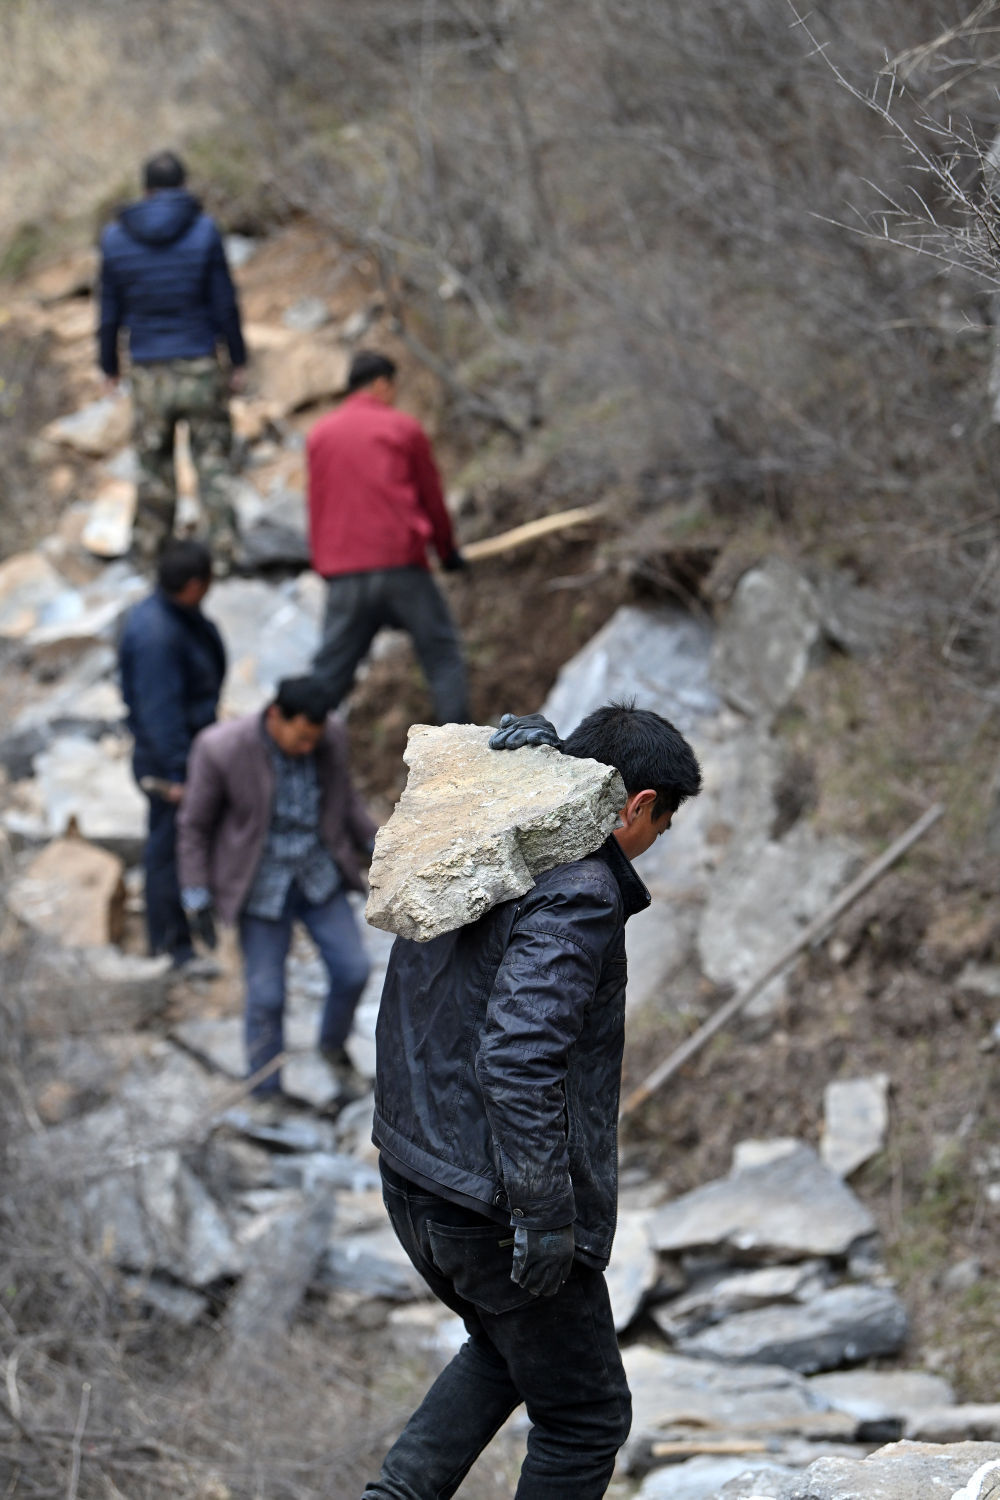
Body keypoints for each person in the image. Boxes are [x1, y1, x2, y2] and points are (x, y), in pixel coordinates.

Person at [364, 701, 702, 1500]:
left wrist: (518, 765)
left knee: (505, 1347)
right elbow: (518, 1058)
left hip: (414, 1173)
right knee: (586, 1415)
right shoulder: (581, 888)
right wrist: (547, 1216)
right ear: (637, 806)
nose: (655, 844)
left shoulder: (488, 832)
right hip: (491, 1205)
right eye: (663, 824)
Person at [177, 675, 377, 1104]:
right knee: (266, 995)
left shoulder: (330, 738)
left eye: (315, 738)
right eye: (301, 737)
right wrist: (196, 895)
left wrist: (380, 845)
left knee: (353, 969)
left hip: (317, 874)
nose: (309, 747)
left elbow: (347, 803)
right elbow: (193, 827)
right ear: (274, 716)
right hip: (258, 885)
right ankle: (266, 1092)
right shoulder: (220, 748)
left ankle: (332, 1048)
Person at [98, 149, 247, 572]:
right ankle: (224, 556)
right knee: (213, 464)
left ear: (144, 190)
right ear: (183, 186)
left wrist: (108, 366)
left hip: (148, 370)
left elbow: (108, 312)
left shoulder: (115, 238)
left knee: (153, 470)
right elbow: (225, 304)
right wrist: (237, 359)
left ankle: (150, 561)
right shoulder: (204, 232)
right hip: (200, 362)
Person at [307, 349, 469, 724]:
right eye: (394, 386)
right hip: (401, 567)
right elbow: (431, 496)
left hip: (345, 572)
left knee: (329, 674)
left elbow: (317, 503)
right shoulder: (403, 428)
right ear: (381, 383)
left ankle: (298, 756)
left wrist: (324, 564)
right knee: (442, 658)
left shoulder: (320, 435)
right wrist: (446, 551)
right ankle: (464, 757)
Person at [118, 538, 226, 972]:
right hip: (167, 764)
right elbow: (160, 714)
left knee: (184, 843)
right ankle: (171, 945)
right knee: (167, 849)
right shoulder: (155, 637)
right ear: (195, 584)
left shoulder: (178, 617)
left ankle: (196, 926)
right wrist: (180, 775)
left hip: (190, 750)